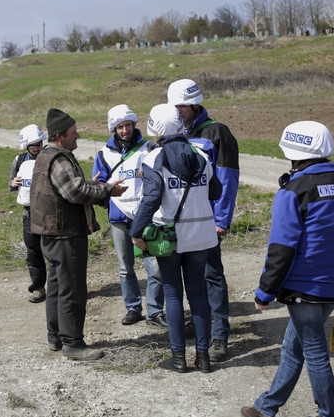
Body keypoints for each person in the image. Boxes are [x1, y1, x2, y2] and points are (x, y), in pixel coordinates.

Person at [241, 121, 334, 417]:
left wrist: (265, 292)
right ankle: (266, 408)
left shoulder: (293, 191)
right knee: (294, 346)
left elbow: (281, 249)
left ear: (291, 153)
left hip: (303, 288)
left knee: (312, 350)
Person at [30, 108, 127, 361]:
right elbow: (74, 192)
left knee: (57, 286)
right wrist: (106, 190)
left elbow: (68, 188)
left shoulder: (44, 155)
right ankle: (72, 343)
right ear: (60, 136)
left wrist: (94, 185)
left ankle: (56, 338)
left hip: (50, 235)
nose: (78, 136)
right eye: (74, 132)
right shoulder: (59, 158)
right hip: (66, 236)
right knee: (72, 289)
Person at [130, 104, 222, 373]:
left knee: (172, 294)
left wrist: (136, 231)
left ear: (155, 128)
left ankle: (179, 358)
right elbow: (215, 191)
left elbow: (152, 197)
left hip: (169, 238)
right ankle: (203, 357)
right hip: (202, 236)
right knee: (198, 294)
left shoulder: (153, 158)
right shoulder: (201, 154)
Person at [168, 78, 239, 363]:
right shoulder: (176, 133)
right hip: (181, 221)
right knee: (191, 277)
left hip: (208, 220)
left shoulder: (217, 133)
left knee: (212, 274)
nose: (178, 111)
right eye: (174, 106)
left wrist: (221, 220)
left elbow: (228, 179)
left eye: (182, 106)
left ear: (195, 103)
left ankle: (219, 335)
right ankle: (202, 324)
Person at [92, 104, 165, 328]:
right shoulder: (103, 155)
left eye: (128, 125)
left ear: (134, 124)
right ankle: (133, 308)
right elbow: (99, 186)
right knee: (125, 267)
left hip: (146, 216)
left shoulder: (149, 148)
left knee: (155, 267)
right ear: (113, 129)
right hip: (119, 217)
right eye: (120, 127)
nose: (125, 130)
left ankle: (154, 311)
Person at [9, 124, 48, 303]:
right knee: (33, 253)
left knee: (54, 251)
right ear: (26, 146)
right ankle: (38, 288)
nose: (36, 148)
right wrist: (13, 183)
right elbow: (11, 182)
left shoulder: (50, 157)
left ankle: (59, 289)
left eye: (39, 144)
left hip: (48, 212)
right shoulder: (19, 160)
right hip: (28, 213)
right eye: (32, 145)